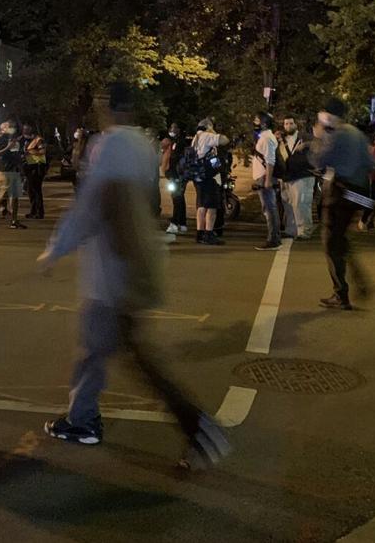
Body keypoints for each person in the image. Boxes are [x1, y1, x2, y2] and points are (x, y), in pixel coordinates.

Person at [37, 83, 230, 469]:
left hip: (112, 268)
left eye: (100, 103)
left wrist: (56, 248)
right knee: (109, 352)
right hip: (136, 260)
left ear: (109, 106)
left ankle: (196, 428)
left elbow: (92, 205)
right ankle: (85, 418)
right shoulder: (143, 144)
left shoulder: (109, 146)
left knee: (118, 355)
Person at [311, 98, 375, 310]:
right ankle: (359, 280)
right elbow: (371, 164)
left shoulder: (335, 134)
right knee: (341, 238)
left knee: (331, 243)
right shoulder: (358, 134)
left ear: (328, 115)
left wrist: (319, 136)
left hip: (340, 192)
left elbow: (318, 160)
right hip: (358, 193)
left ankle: (342, 293)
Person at [189, 118, 228, 246]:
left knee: (201, 205)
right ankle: (209, 233)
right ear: (208, 126)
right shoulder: (206, 136)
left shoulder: (195, 138)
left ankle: (200, 233)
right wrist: (213, 132)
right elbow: (224, 140)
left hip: (199, 176)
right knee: (212, 206)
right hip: (209, 176)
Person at [277, 116, 315, 240]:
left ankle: (305, 231)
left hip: (302, 175)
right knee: (288, 204)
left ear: (295, 124)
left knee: (301, 204)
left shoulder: (305, 137)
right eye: (286, 124)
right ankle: (291, 230)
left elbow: (319, 144)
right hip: (287, 176)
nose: (288, 126)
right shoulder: (281, 139)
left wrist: (305, 145)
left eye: (291, 123)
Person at [0, 120, 26, 228]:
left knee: (14, 196)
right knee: (3, 194)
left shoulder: (13, 138)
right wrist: (8, 147)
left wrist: (21, 169)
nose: (13, 128)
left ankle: (14, 221)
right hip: (5, 170)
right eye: (9, 126)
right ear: (3, 129)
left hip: (13, 169)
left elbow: (16, 155)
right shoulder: (1, 139)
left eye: (13, 126)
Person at [251, 113, 282, 250]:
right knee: (269, 208)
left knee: (269, 209)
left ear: (264, 123)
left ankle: (273, 240)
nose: (254, 122)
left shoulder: (267, 138)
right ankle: (274, 238)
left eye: (257, 120)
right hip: (263, 177)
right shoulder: (264, 137)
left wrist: (268, 180)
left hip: (265, 177)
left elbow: (270, 160)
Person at [160, 123, 188, 235]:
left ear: (179, 129)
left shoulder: (179, 142)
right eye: (171, 128)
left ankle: (174, 224)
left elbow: (174, 159)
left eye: (174, 127)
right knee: (179, 198)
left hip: (177, 175)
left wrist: (173, 175)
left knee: (177, 199)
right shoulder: (176, 141)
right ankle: (182, 223)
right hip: (177, 175)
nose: (172, 130)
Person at [23, 124, 48, 220]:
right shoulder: (28, 141)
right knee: (30, 191)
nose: (24, 131)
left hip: (37, 168)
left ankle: (39, 212)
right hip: (30, 168)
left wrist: (31, 152)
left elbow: (42, 152)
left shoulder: (38, 140)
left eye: (26, 129)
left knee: (36, 191)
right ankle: (33, 211)